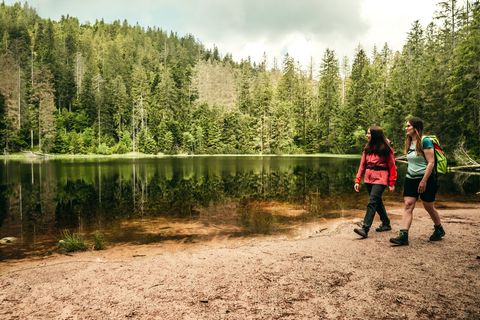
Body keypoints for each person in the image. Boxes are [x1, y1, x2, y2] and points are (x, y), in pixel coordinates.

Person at [390, 117, 445, 246]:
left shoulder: (425, 141)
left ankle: (439, 228)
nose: (406, 128)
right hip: (410, 178)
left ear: (416, 128)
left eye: (408, 126)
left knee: (428, 206)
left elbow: (431, 162)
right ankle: (403, 236)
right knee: (408, 205)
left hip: (426, 179)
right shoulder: (409, 141)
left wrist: (424, 181)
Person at [353, 126, 397, 238]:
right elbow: (362, 165)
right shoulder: (367, 148)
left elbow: (392, 166)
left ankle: (365, 228)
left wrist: (392, 182)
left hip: (381, 178)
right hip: (368, 178)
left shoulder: (386, 149)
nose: (367, 135)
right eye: (367, 133)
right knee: (377, 202)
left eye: (369, 133)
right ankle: (386, 223)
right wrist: (357, 180)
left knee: (372, 202)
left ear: (375, 135)